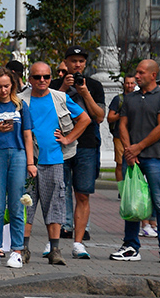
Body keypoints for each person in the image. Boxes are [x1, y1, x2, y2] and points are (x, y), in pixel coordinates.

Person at [20, 62, 90, 266]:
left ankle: (55, 250)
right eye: (37, 77)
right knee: (25, 206)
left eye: (46, 77)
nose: (42, 80)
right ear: (30, 79)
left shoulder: (59, 97)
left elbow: (85, 119)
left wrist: (69, 139)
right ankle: (23, 249)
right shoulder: (21, 99)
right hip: (28, 162)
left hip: (54, 160)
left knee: (55, 206)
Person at [110, 59, 160, 264]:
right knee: (131, 201)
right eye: (136, 72)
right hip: (132, 158)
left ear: (153, 75)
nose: (136, 76)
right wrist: (130, 151)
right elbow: (123, 125)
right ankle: (130, 246)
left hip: (154, 157)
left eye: (141, 73)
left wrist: (138, 147)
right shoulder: (130, 98)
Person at [49, 46, 106, 253]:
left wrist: (84, 92)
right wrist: (63, 88)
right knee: (57, 192)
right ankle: (54, 240)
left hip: (86, 146)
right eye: (73, 61)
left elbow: (99, 117)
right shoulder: (54, 84)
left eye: (81, 61)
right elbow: (47, 111)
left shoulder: (94, 85)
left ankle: (78, 243)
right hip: (59, 144)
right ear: (66, 62)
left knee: (83, 194)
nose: (78, 65)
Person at [0, 68, 34, 269]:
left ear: (12, 86)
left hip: (18, 154)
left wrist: (31, 163)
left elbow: (28, 135)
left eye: (7, 86)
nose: (3, 90)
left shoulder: (21, 106)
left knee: (16, 204)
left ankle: (17, 250)